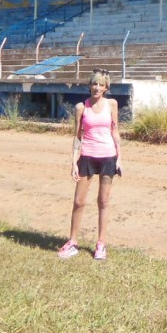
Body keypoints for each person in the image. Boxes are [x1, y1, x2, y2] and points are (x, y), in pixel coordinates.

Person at [57, 67, 122, 260]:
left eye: (101, 84)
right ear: (89, 85)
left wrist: (120, 158)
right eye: (94, 83)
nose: (97, 87)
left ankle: (101, 244)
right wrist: (73, 162)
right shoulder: (80, 107)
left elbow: (115, 131)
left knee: (103, 201)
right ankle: (73, 242)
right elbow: (78, 136)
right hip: (86, 156)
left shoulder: (112, 105)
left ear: (106, 88)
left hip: (108, 156)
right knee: (78, 201)